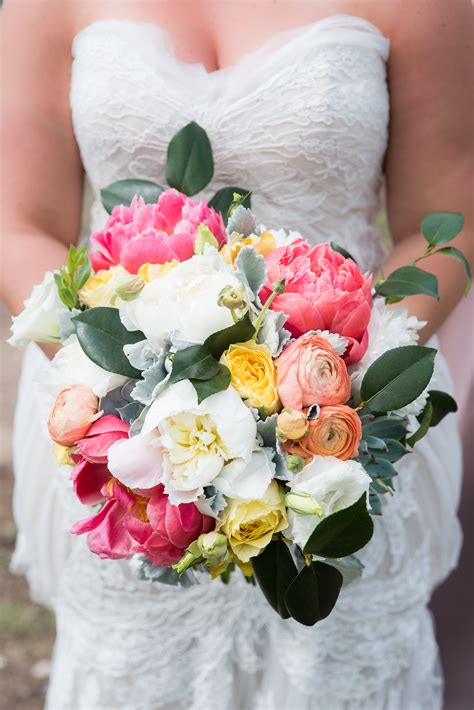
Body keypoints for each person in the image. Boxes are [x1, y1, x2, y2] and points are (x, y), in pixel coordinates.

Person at [1, 1, 472, 708]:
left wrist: (324, 388)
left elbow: (446, 220)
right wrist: (124, 390)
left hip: (338, 429)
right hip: (126, 452)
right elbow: (18, 222)